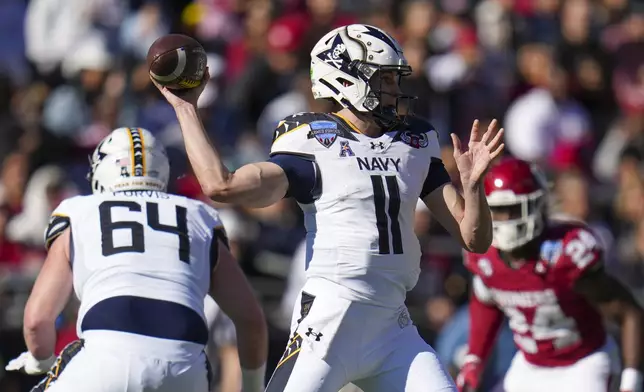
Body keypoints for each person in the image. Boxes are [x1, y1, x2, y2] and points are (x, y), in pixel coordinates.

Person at [154, 24, 503, 392]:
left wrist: (474, 186)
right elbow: (220, 186)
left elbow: (474, 239)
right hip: (330, 324)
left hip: (392, 327)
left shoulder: (414, 141)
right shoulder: (314, 140)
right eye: (385, 79)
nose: (397, 90)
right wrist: (186, 109)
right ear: (346, 80)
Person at [4, 127, 268, 392]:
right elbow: (251, 321)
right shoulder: (199, 215)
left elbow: (37, 321)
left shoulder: (78, 211)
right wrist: (254, 388)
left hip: (105, 360)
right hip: (185, 368)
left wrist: (40, 360)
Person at [457, 157, 644, 392]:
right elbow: (485, 301)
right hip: (530, 365)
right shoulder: (485, 258)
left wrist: (631, 381)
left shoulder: (566, 252)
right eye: (497, 211)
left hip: (582, 365)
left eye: (513, 210)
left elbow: (629, 314)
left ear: (537, 206)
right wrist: (474, 359)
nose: (505, 220)